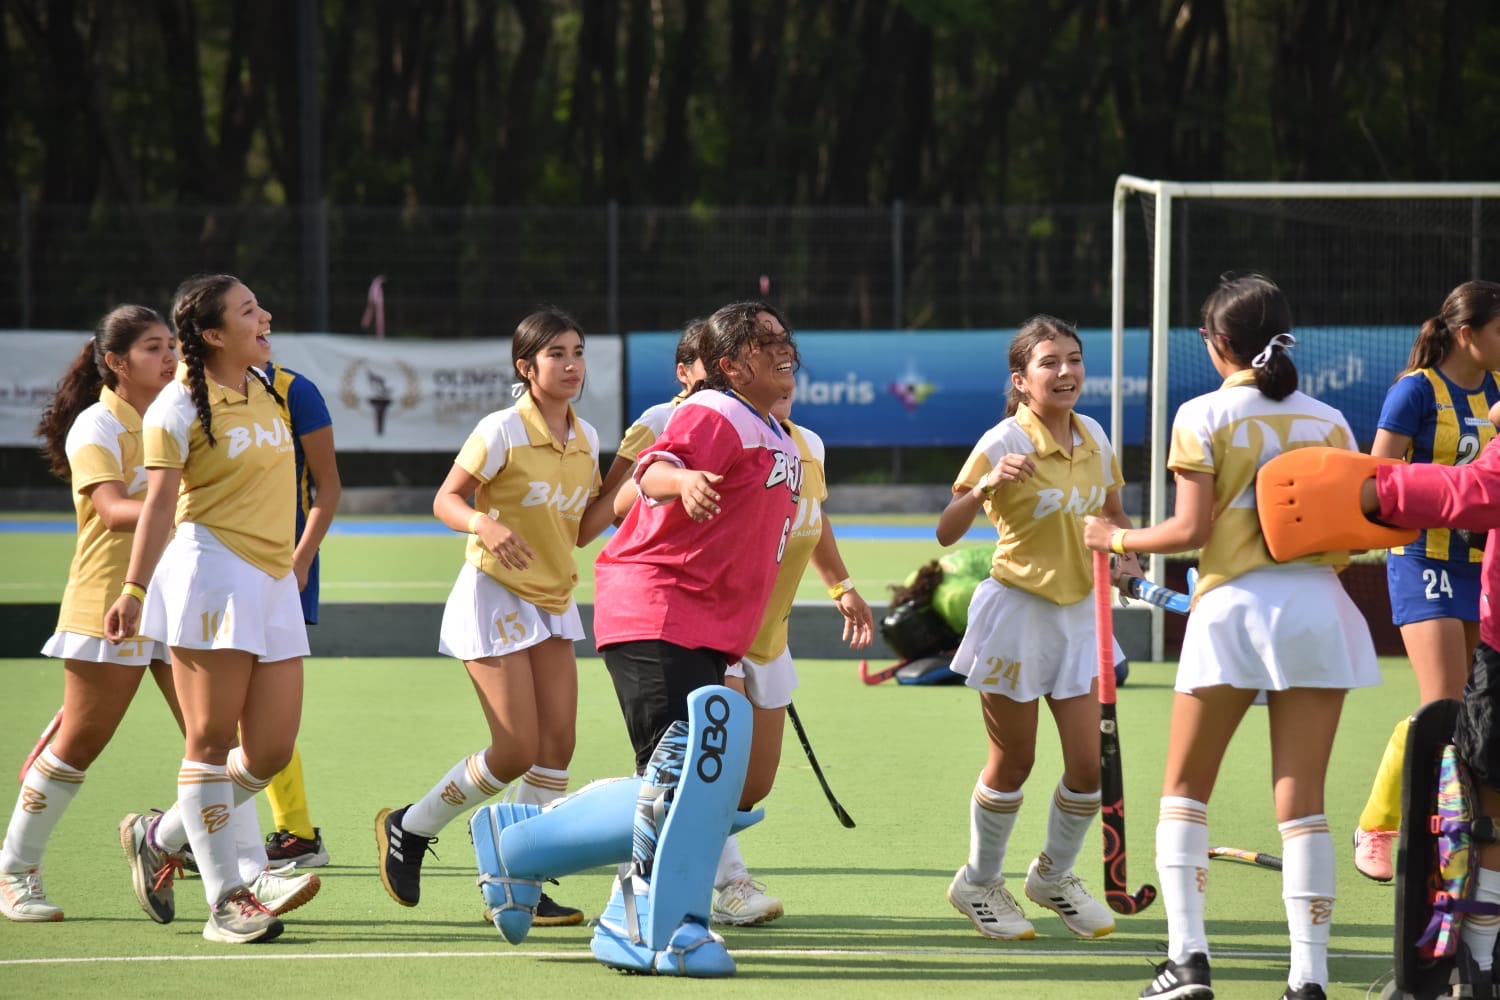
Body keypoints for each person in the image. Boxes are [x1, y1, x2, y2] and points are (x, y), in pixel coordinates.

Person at [1082, 275, 1380, 1000]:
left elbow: (1189, 530)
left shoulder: (1202, 414)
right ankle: (1308, 980)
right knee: (1304, 804)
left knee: (1185, 790)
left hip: (1232, 614)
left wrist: (1112, 537)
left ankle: (1188, 963)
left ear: (1216, 343)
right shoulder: (1331, 421)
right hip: (1319, 610)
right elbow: (1349, 540)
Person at [375, 308, 613, 924]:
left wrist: (632, 484)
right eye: (556, 354)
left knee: (557, 746)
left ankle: (518, 878)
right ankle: (411, 826)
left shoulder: (586, 439)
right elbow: (446, 499)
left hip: (553, 599)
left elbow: (581, 529)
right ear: (526, 367)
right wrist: (483, 522)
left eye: (578, 352)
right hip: (494, 594)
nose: (571, 365)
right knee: (514, 749)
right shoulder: (502, 429)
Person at [106, 274, 319, 945]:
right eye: (249, 311)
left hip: (273, 582)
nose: (266, 317)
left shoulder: (266, 388)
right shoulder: (175, 406)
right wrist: (134, 588)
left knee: (270, 750)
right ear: (214, 335)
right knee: (210, 743)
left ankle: (160, 836)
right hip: (211, 577)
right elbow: (160, 507)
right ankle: (226, 900)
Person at [937, 314, 1139, 944]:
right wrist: (984, 486)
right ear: (1022, 380)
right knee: (1014, 761)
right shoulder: (1001, 441)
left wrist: (1128, 560)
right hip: (1017, 614)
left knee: (1089, 767)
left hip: (1081, 617)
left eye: (1073, 359)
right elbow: (946, 529)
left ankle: (1052, 876)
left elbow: (1113, 514)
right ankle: (978, 883)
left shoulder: (1095, 434)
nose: (1066, 371)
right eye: (1050, 362)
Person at [0, 307, 185, 922]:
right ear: (115, 361)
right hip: (110, 601)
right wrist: (190, 513)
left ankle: (175, 844)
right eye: (153, 347)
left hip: (180, 599)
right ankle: (14, 871)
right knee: (78, 745)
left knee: (221, 745)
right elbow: (110, 508)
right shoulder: (96, 424)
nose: (169, 356)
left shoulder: (178, 414)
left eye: (172, 345)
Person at [1352, 279, 1500, 883]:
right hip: (1423, 559)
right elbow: (1375, 481)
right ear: (1467, 334)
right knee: (1442, 703)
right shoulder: (1415, 391)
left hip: (1480, 566)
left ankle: (1455, 832)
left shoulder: (1497, 389)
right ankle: (1378, 825)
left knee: (1473, 710)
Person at [714, 390, 874, 925]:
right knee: (717, 769)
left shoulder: (810, 446)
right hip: (718, 632)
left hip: (771, 637)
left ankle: (644, 828)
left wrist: (842, 586)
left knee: (754, 784)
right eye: (771, 364)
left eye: (788, 367)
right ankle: (725, 883)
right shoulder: (726, 437)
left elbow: (813, 516)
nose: (783, 381)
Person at [259, 358, 342, 868]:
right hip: (200, 572)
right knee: (220, 719)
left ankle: (294, 832)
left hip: (277, 570)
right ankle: (207, 827)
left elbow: (326, 486)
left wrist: (302, 559)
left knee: (255, 715)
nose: (264, 323)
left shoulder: (292, 390)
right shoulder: (188, 391)